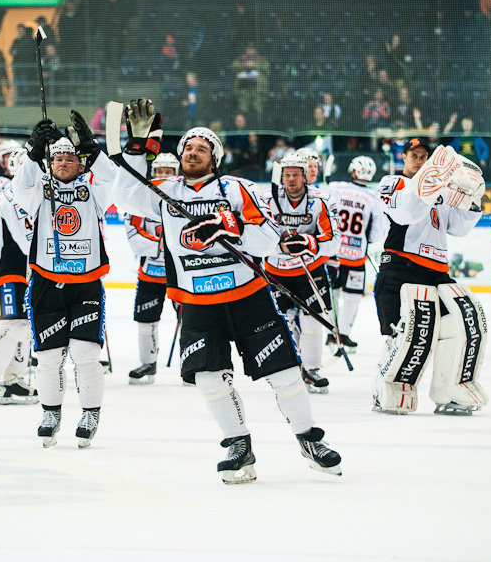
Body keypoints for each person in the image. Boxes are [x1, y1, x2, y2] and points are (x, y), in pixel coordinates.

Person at [113, 100, 342, 484]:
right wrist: (135, 147)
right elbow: (126, 194)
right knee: (208, 378)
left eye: (201, 148)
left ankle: (309, 438)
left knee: (285, 372)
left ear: (215, 159)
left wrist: (227, 225)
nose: (192, 151)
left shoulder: (237, 189)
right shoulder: (166, 190)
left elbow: (268, 238)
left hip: (247, 298)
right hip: (199, 304)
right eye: (187, 147)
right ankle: (238, 445)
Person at [13, 111, 115, 448]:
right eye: (56, 157)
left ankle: (90, 412)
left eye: (70, 157)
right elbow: (20, 189)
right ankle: (51, 412)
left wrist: (94, 149)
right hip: (46, 282)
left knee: (85, 354)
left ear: (81, 162)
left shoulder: (93, 187)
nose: (63, 162)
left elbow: (112, 179)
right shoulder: (39, 187)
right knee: (49, 356)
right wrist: (31, 152)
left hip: (86, 283)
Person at [373, 139, 489, 415]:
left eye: (425, 156)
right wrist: (432, 182)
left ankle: (450, 389)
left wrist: (472, 200)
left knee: (464, 325)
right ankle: (387, 388)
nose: (420, 160)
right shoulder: (392, 183)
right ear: (404, 157)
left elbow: (458, 227)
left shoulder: (440, 189)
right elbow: (406, 213)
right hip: (402, 268)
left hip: (437, 271)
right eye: (415, 155)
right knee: (406, 335)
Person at [261, 152, 340, 393]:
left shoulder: (322, 200)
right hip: (276, 270)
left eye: (296, 174)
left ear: (306, 176)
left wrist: (309, 243)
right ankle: (289, 367)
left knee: (312, 319)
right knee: (283, 320)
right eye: (287, 175)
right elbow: (256, 235)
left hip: (310, 270)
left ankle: (312, 370)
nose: (291, 179)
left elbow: (334, 240)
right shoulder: (267, 199)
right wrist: (279, 245)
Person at [0, 150, 38, 404]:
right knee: (15, 326)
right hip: (7, 270)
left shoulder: (17, 193)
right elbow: (27, 240)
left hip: (16, 269)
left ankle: (13, 379)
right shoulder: (13, 196)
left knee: (24, 327)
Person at [124, 153, 180, 385]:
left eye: (168, 171)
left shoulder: (188, 197)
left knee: (191, 321)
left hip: (182, 273)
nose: (164, 175)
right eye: (160, 171)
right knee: (146, 321)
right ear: (153, 172)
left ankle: (192, 365)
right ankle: (148, 363)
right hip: (151, 273)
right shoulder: (139, 199)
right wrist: (163, 244)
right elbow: (133, 235)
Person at [325, 156, 388, 354]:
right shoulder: (372, 197)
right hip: (356, 257)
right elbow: (377, 232)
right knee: (351, 297)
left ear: (353, 171)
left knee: (332, 294)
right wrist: (363, 240)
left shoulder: (335, 187)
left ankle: (330, 333)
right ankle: (343, 335)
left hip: (333, 254)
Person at [0, 139, 24, 224]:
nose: (14, 161)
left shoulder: (31, 182)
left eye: (17, 157)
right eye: (10, 159)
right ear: (2, 163)